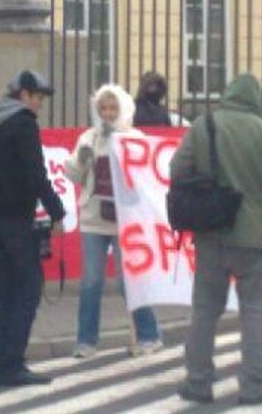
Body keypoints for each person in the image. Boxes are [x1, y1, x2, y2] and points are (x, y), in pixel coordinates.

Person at [170, 74, 262, 405]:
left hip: (210, 232)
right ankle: (254, 385)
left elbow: (176, 169)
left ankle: (198, 382)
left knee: (205, 309)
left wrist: (205, 191)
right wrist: (260, 207)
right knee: (253, 310)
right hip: (251, 234)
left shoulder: (203, 124)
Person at [0, 70, 65, 387]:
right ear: (23, 95)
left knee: (4, 297)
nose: (39, 104)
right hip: (16, 222)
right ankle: (12, 364)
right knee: (26, 293)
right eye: (38, 97)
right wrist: (56, 210)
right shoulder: (23, 123)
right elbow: (34, 173)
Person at [67, 84, 163, 359]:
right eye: (103, 108)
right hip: (94, 220)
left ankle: (149, 334)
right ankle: (86, 341)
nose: (108, 114)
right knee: (91, 281)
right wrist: (82, 161)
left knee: (129, 282)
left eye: (112, 108)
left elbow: (145, 176)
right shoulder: (88, 138)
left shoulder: (134, 137)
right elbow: (73, 175)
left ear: (122, 109)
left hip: (125, 221)